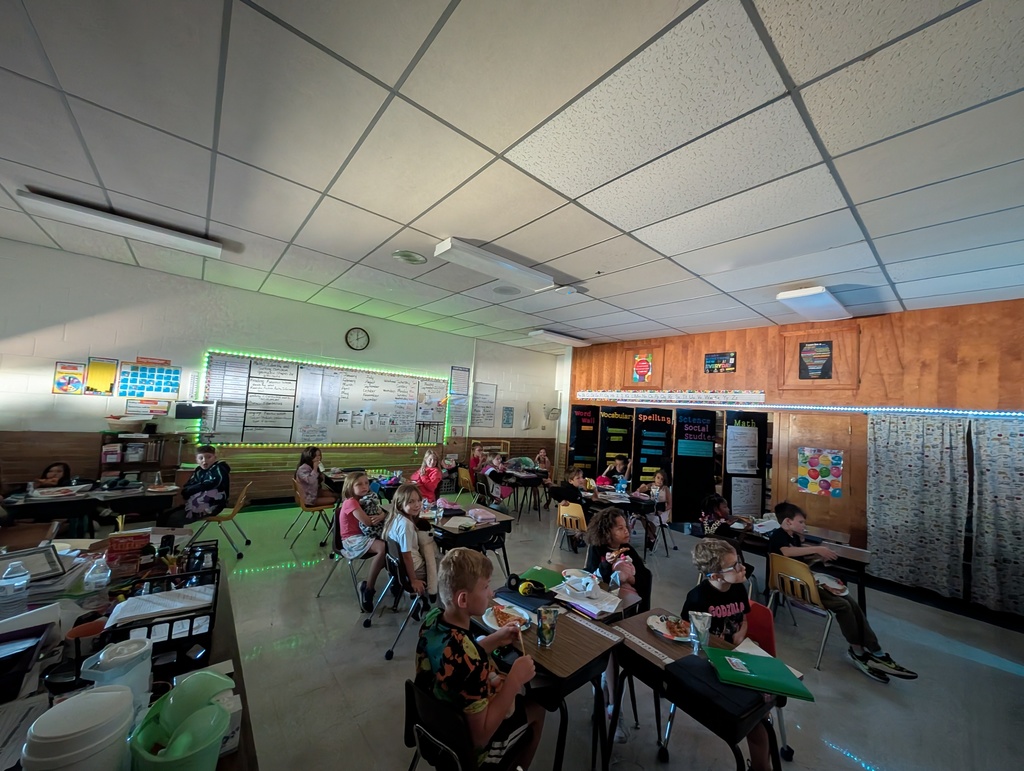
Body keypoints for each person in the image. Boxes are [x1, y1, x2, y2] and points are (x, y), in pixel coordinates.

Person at [415, 548, 545, 769]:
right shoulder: (471, 667)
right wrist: (514, 680)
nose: (491, 593)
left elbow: (455, 655)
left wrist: (494, 639)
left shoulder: (433, 620)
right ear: (463, 599)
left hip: (435, 725)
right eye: (485, 587)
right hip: (470, 753)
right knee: (538, 709)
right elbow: (481, 737)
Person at [770, 502, 917, 683]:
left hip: (806, 581)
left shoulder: (794, 538)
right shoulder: (778, 536)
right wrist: (818, 549)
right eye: (801, 522)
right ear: (788, 522)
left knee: (850, 601)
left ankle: (876, 651)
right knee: (842, 606)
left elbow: (800, 564)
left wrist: (819, 559)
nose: (804, 526)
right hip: (796, 586)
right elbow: (785, 553)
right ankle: (857, 651)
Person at [682, 538, 772, 771]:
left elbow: (742, 620)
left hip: (737, 654)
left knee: (760, 709)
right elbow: (691, 635)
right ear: (715, 575)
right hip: (709, 660)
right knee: (752, 710)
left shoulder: (739, 588)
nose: (742, 569)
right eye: (734, 566)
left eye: (739, 562)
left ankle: (761, 764)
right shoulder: (698, 597)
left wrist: (741, 635)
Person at [385, 482, 440, 617]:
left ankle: (422, 599)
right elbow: (406, 555)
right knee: (449, 567)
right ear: (400, 504)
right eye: (411, 502)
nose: (417, 505)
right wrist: (413, 580)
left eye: (418, 500)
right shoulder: (406, 526)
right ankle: (439, 606)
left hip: (396, 568)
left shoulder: (396, 518)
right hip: (415, 568)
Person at [584, 506, 651, 613]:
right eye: (620, 528)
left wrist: (632, 579)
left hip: (626, 600)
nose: (626, 531)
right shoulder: (596, 549)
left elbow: (645, 576)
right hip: (602, 601)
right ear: (606, 532)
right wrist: (606, 564)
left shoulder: (629, 550)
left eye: (626, 526)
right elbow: (592, 576)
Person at [338, 471, 387, 612]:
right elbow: (368, 522)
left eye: (366, 483)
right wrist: (380, 516)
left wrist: (382, 515)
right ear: (350, 487)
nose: (364, 486)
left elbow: (380, 512)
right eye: (359, 484)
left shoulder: (362, 500)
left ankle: (395, 580)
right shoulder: (351, 502)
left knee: (391, 545)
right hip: (351, 539)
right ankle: (368, 588)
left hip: (362, 536)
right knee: (383, 548)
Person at [181, 445, 230, 523]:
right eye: (201, 458)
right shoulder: (199, 470)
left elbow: (214, 483)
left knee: (174, 519)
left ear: (215, 457)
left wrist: (193, 489)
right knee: (167, 515)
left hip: (215, 505)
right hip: (197, 502)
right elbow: (190, 484)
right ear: (196, 460)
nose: (204, 460)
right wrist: (188, 489)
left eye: (208, 457)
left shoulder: (219, 468)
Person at [636, 467, 672, 551]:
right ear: (654, 478)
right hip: (653, 509)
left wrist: (662, 510)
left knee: (653, 520)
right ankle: (652, 538)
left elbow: (670, 505)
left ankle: (651, 538)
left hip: (662, 511)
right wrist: (642, 488)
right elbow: (639, 490)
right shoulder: (651, 485)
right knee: (641, 516)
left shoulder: (665, 489)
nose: (659, 480)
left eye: (662, 479)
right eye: (658, 478)